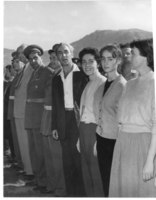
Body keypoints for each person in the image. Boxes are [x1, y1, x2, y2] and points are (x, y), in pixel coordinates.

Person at [109, 39, 156, 197]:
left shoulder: (154, 83)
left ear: (146, 57)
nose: (128, 57)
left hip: (143, 145)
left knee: (141, 191)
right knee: (124, 190)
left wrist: (150, 161)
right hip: (123, 142)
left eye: (133, 53)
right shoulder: (129, 84)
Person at [52, 43, 88, 197]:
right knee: (67, 162)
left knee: (79, 161)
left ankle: (82, 194)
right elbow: (55, 104)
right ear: (57, 56)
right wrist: (54, 126)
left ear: (72, 53)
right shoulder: (56, 78)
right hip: (63, 122)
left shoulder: (82, 75)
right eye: (60, 53)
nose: (63, 55)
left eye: (66, 52)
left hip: (78, 121)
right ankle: (71, 194)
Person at [93, 44, 127, 197]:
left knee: (116, 183)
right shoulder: (101, 86)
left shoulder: (123, 86)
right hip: (101, 139)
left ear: (118, 61)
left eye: (110, 59)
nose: (106, 63)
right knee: (105, 180)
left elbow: (124, 120)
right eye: (103, 59)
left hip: (116, 142)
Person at [24, 45, 53, 192]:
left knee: (42, 153)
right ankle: (38, 179)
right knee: (34, 152)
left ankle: (45, 182)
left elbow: (48, 98)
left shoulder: (48, 72)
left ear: (41, 57)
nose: (33, 61)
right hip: (31, 119)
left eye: (35, 57)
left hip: (40, 119)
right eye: (30, 59)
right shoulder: (33, 73)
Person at [77, 47, 105, 197]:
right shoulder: (88, 83)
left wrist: (98, 140)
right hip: (83, 131)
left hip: (95, 132)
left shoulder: (103, 83)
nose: (87, 65)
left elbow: (103, 115)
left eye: (91, 61)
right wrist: (79, 138)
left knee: (96, 173)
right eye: (84, 62)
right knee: (86, 172)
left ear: (98, 63)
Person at [40, 44, 66, 196]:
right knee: (49, 155)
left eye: (55, 57)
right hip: (47, 115)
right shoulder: (52, 75)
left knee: (57, 156)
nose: (52, 61)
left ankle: (61, 189)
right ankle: (52, 185)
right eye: (50, 58)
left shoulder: (62, 76)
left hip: (55, 117)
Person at [13, 44, 34, 180]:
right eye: (18, 54)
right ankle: (28, 170)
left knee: (27, 144)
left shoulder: (31, 68)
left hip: (26, 111)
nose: (19, 56)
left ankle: (31, 172)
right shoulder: (23, 70)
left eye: (21, 53)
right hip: (19, 111)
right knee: (22, 143)